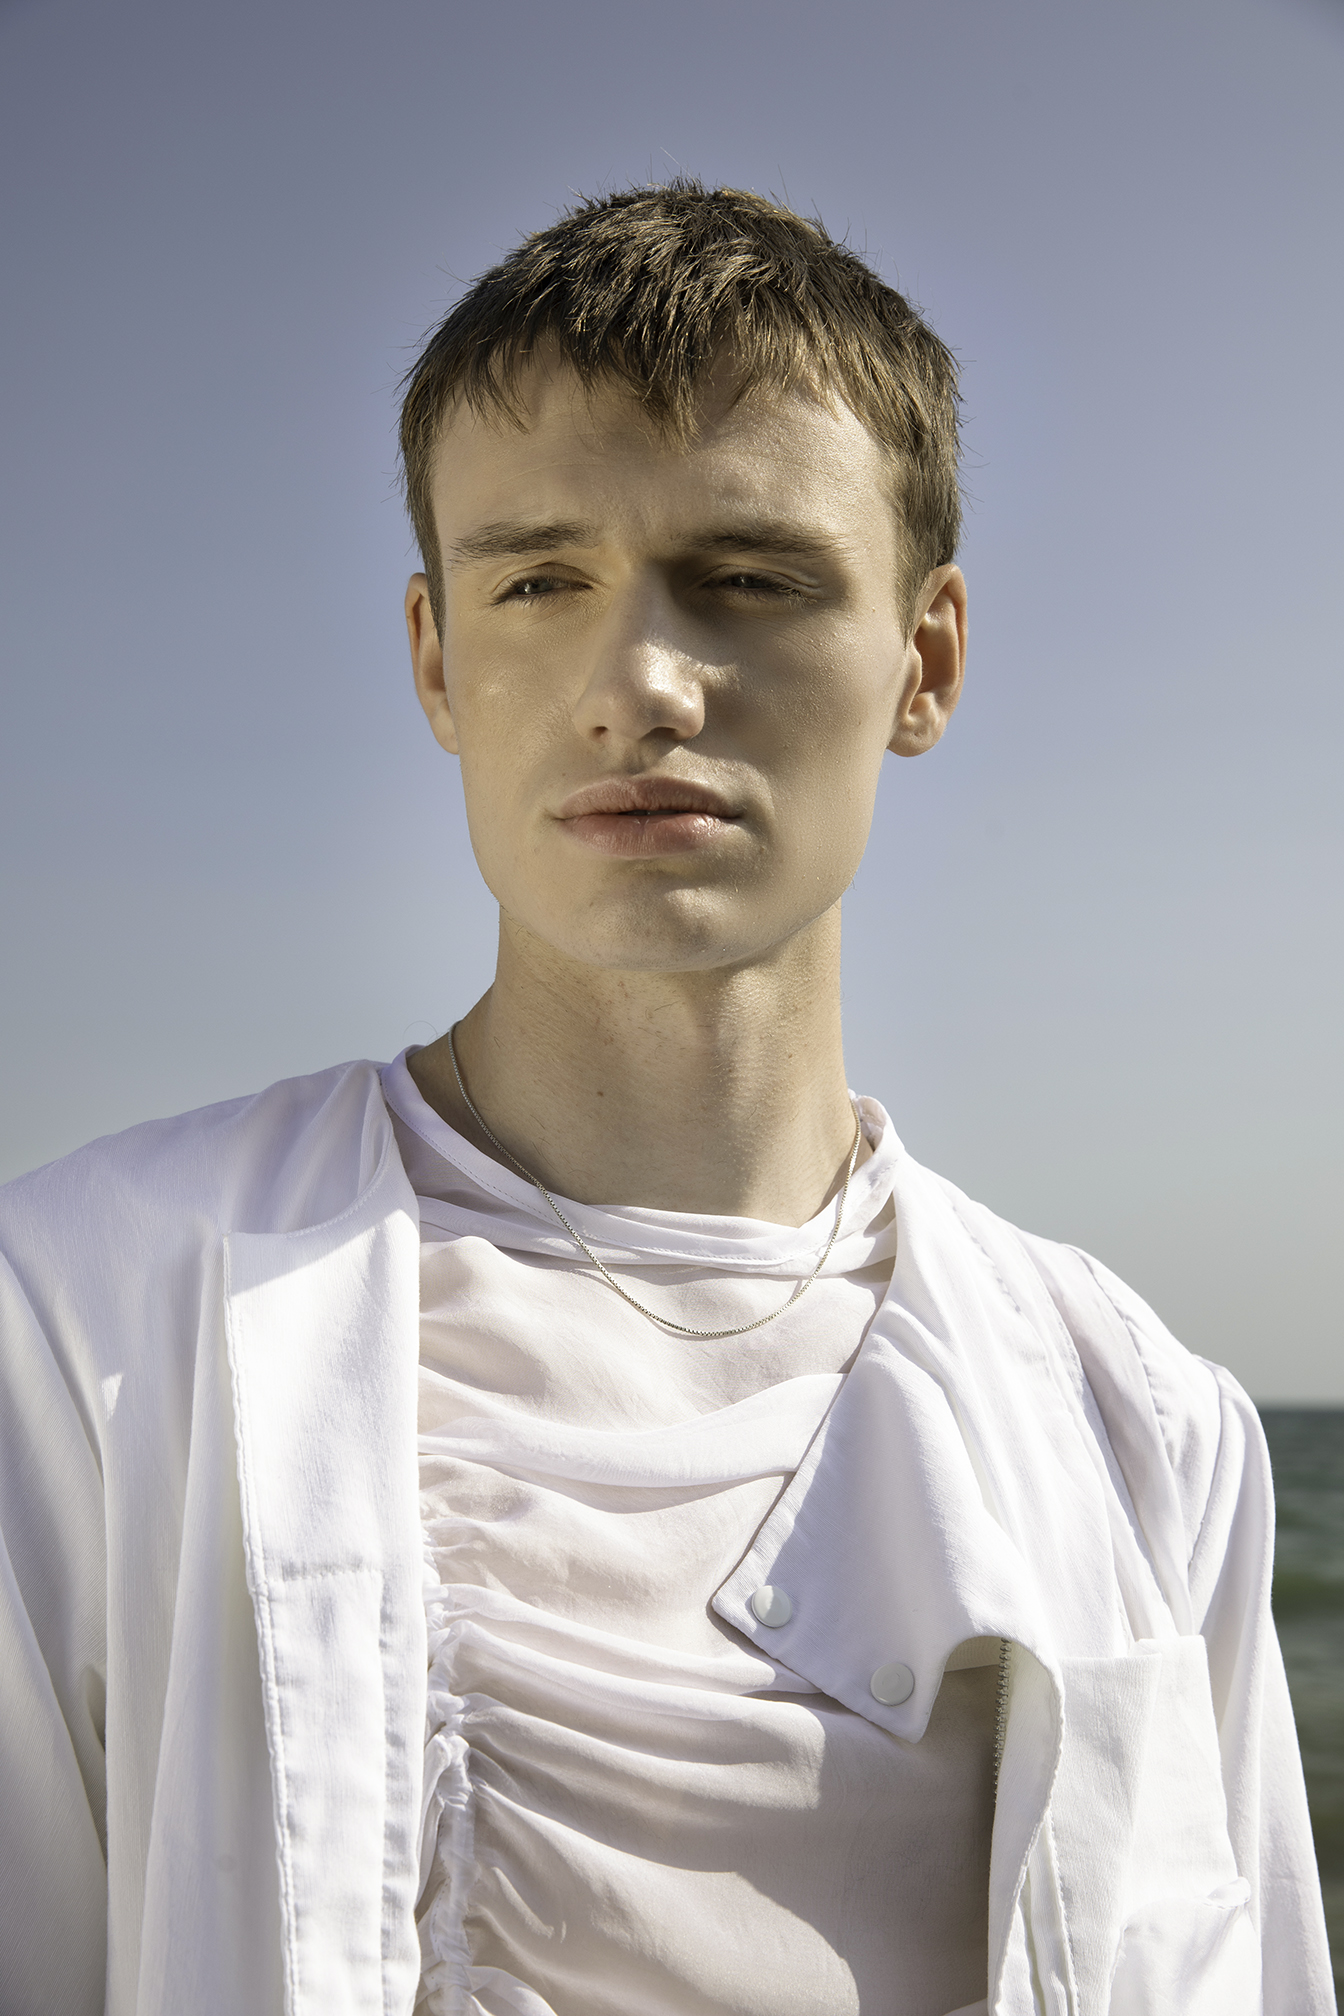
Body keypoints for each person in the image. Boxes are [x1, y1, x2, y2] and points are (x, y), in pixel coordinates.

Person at [0, 181, 1332, 2016]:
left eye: (752, 579)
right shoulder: (80, 1323)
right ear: (435, 660)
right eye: (538, 581)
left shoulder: (1147, 1424)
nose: (638, 687)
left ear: (926, 659)